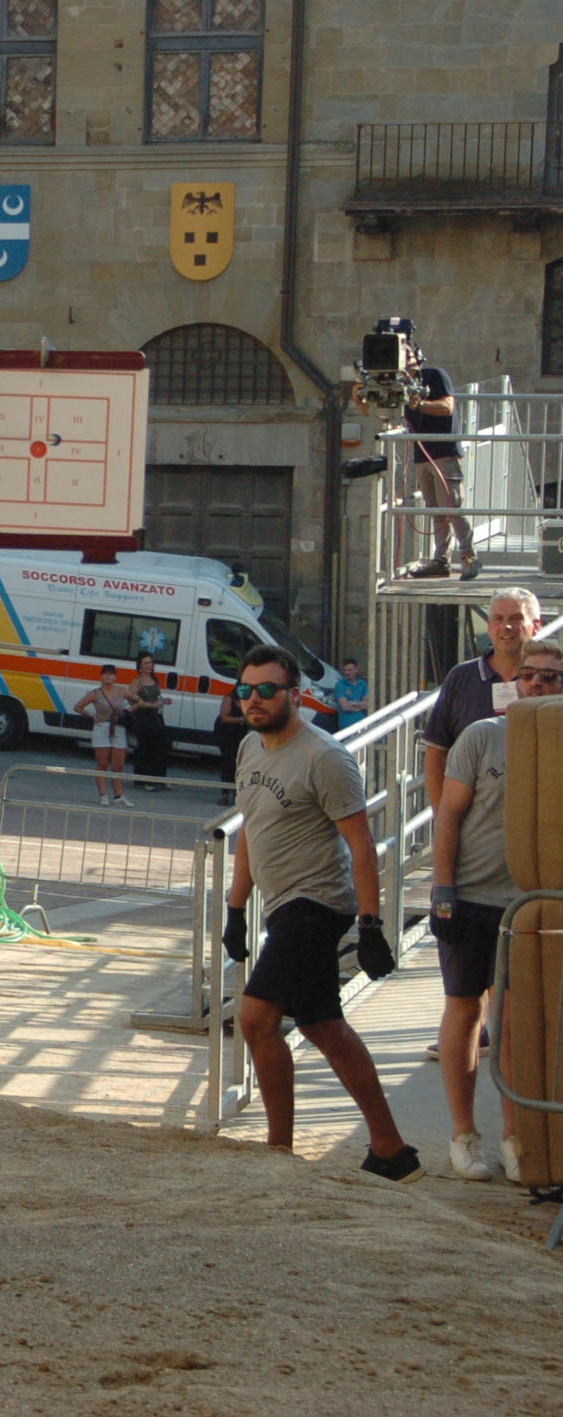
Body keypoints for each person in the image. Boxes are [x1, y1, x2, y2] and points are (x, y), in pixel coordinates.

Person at [223, 645, 420, 1183]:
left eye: (267, 689)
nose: (255, 700)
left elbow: (360, 845)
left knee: (256, 1018)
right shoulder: (249, 749)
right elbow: (249, 832)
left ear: (296, 695)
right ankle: (390, 1149)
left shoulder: (324, 757)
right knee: (322, 1026)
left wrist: (372, 925)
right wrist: (235, 909)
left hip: (317, 904)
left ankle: (277, 1153)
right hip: (280, 903)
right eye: (246, 690)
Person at [428, 638, 560, 1183]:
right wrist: (441, 889)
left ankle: (515, 1136)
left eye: (550, 678)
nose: (536, 685)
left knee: (515, 1024)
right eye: (528, 675)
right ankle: (464, 1135)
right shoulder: (482, 737)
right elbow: (449, 815)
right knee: (466, 1011)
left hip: (532, 904)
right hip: (474, 896)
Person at [374, 322, 477, 581]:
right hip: (421, 456)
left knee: (452, 507)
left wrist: (418, 404)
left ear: (417, 357)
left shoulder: (435, 376)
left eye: (407, 357)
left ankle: (469, 557)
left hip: (443, 451)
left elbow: (447, 407)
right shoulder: (397, 385)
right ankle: (441, 560)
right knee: (435, 510)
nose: (404, 365)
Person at [422, 589, 542, 810]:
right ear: (489, 626)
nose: (506, 627)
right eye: (497, 618)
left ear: (536, 626)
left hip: (539, 817)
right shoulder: (461, 677)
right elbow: (436, 753)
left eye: (516, 619)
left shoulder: (549, 681)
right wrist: (443, 818)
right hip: (474, 826)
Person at [73, 665, 133, 806]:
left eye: (111, 674)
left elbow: (136, 701)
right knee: (102, 763)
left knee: (118, 764)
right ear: (101, 676)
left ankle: (118, 796)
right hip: (102, 727)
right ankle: (103, 795)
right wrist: (92, 715)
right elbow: (78, 707)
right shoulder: (95, 693)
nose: (108, 677)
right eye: (105, 674)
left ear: (115, 677)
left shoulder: (122, 690)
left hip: (118, 728)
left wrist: (128, 712)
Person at [127, 652, 171, 789]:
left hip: (156, 716)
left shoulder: (154, 680)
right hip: (143, 717)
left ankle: (159, 779)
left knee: (160, 747)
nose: (148, 666)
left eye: (150, 663)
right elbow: (132, 700)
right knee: (145, 748)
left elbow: (156, 697)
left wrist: (163, 701)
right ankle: (143, 780)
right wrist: (150, 705)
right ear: (139, 665)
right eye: (145, 663)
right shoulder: (136, 682)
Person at [214, 685, 246, 806]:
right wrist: (241, 720)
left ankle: (236, 791)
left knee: (239, 763)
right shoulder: (229, 698)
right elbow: (224, 717)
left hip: (240, 734)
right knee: (228, 762)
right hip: (226, 733)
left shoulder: (248, 699)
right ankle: (225, 794)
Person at [331, 658, 370, 733]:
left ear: (356, 670)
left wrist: (352, 703)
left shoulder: (362, 684)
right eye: (345, 670)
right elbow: (345, 707)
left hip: (362, 724)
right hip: (346, 726)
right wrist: (359, 705)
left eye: (350, 670)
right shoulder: (340, 685)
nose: (347, 673)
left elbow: (367, 704)